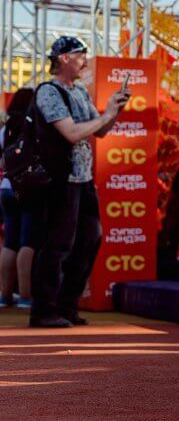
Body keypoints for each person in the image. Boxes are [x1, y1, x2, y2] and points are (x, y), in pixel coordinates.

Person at [29, 36, 130, 328]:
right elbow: (72, 133)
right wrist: (107, 114)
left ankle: (66, 305)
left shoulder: (80, 91)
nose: (85, 61)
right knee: (58, 243)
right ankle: (43, 310)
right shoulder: (48, 92)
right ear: (63, 58)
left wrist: (114, 109)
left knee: (90, 238)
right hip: (61, 178)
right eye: (80, 55)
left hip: (84, 177)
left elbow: (98, 131)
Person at [0, 88, 38, 308]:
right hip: (29, 188)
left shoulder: (5, 130)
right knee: (28, 242)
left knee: (10, 242)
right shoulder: (32, 127)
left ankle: (4, 295)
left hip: (5, 188)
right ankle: (26, 295)